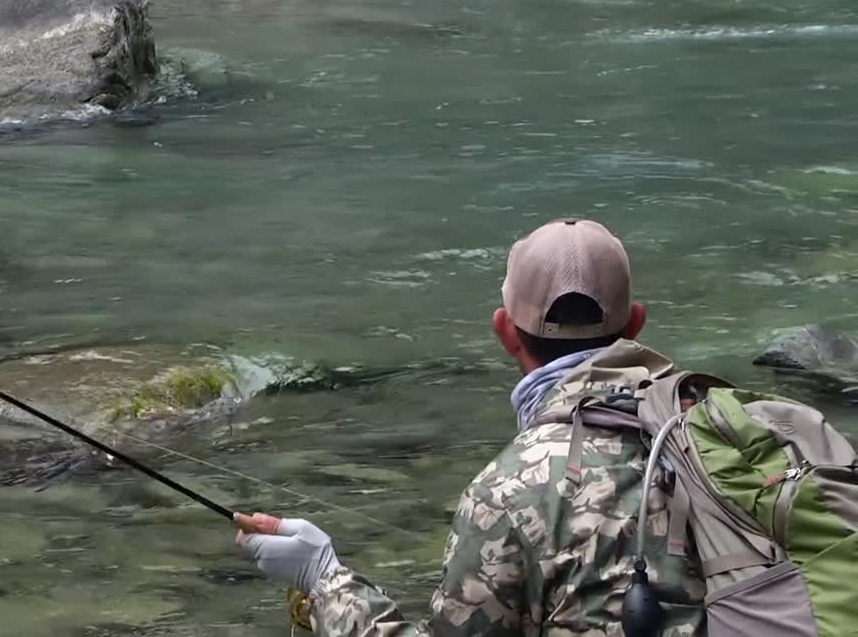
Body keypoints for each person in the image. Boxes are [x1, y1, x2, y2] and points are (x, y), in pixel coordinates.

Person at [235, 218, 707, 636]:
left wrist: (323, 579)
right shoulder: (738, 430)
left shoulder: (510, 488)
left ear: (504, 331)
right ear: (637, 324)